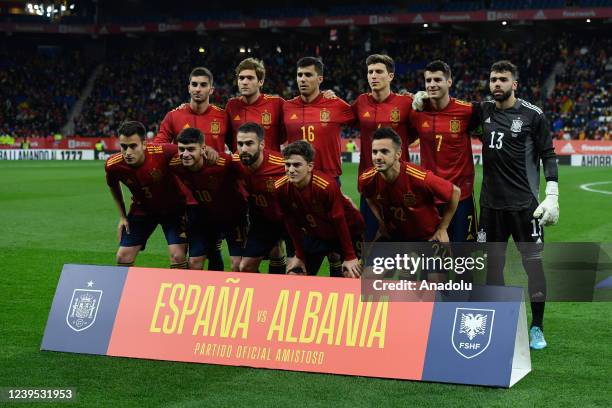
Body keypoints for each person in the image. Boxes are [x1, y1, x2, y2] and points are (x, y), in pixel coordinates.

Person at [476, 60, 559, 350]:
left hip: (526, 207)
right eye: (493, 79)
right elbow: (448, 105)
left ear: (515, 84)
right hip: (491, 207)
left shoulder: (532, 115)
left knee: (533, 267)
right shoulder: (483, 111)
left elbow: (549, 154)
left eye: (502, 79)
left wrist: (553, 194)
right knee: (493, 267)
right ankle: (499, 320)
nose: (496, 84)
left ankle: (537, 326)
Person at [358, 127, 460, 281]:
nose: (378, 157)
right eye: (374, 152)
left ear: (398, 154)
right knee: (367, 278)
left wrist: (443, 228)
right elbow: (369, 197)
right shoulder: (367, 179)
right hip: (395, 238)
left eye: (384, 152)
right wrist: (381, 222)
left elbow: (455, 192)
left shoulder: (419, 177)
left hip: (427, 238)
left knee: (436, 283)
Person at [154, 67, 225, 271]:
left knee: (212, 250)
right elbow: (159, 148)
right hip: (183, 199)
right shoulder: (174, 116)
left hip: (215, 196)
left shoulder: (222, 116)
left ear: (211, 89)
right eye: (194, 84)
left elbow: (235, 151)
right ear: (188, 87)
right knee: (182, 256)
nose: (198, 89)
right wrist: (186, 153)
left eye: (203, 85)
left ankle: (214, 297)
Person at [409, 60, 479, 243]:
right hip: (430, 196)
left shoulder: (467, 111)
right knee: (433, 264)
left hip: (462, 196)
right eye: (428, 80)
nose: (432, 84)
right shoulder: (417, 112)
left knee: (464, 263)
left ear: (449, 82)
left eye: (437, 80)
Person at [105, 121, 187, 269]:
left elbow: (190, 153)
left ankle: (182, 290)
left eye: (133, 146)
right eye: (123, 147)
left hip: (173, 210)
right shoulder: (113, 165)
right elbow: (113, 186)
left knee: (178, 255)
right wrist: (123, 216)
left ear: (144, 144)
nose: (128, 152)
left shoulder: (164, 151)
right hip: (143, 210)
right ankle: (127, 292)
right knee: (122, 256)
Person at [275, 140, 364, 278]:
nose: (291, 170)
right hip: (317, 234)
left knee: (354, 275)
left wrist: (350, 256)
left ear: (310, 166)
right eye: (287, 165)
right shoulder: (280, 188)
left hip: (349, 233)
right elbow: (290, 222)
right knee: (295, 275)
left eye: (297, 165)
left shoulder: (326, 186)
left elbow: (339, 221)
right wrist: (299, 255)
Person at [352, 54, 415, 241]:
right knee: (370, 247)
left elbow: (419, 130)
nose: (373, 76)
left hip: (402, 185)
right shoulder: (360, 102)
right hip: (370, 185)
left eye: (379, 71)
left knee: (406, 250)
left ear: (390, 76)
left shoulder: (406, 103)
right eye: (370, 72)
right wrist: (328, 96)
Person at [169, 127, 248, 271]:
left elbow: (248, 177)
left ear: (203, 148)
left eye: (191, 149)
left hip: (234, 216)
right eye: (181, 149)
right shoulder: (175, 164)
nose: (185, 154)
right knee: (194, 263)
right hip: (205, 215)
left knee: (239, 265)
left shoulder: (223, 163)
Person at [283, 57, 355, 182]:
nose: (302, 79)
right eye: (299, 75)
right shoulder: (286, 106)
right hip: (296, 178)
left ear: (320, 79)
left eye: (308, 75)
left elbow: (363, 123)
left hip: (328, 178)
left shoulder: (336, 104)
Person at [235, 122, 287, 273]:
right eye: (240, 144)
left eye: (249, 143)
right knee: (245, 267)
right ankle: (263, 295)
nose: (243, 149)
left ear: (262, 144)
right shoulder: (235, 163)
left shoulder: (283, 164)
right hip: (264, 222)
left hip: (290, 220)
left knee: (296, 269)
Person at [225, 58, 286, 152]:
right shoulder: (231, 105)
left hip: (269, 165)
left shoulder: (277, 103)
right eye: (241, 78)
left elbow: (286, 136)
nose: (244, 82)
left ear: (261, 82)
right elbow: (227, 139)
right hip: (239, 165)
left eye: (250, 78)